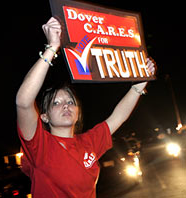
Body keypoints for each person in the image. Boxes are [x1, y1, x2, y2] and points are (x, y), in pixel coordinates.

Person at [16, 17, 156, 198]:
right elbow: (23, 102)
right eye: (56, 103)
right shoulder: (39, 146)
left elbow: (118, 117)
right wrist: (51, 48)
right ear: (44, 117)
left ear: (78, 112)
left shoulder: (89, 142)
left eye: (70, 101)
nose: (66, 105)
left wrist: (139, 84)